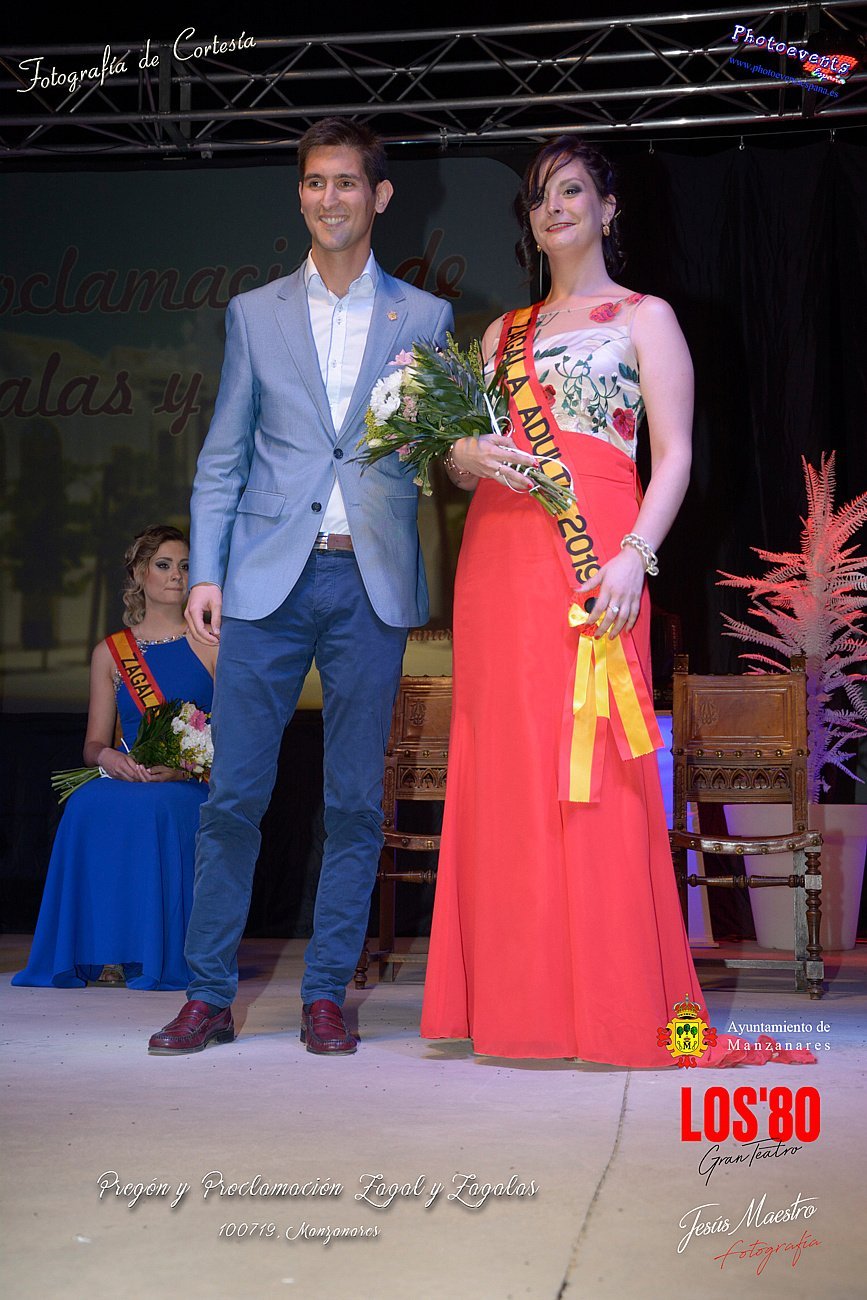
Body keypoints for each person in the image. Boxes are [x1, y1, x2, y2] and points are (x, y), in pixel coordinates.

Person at [148, 117, 453, 1058]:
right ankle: (207, 996)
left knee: (355, 803)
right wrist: (206, 571)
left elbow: (433, 455)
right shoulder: (254, 313)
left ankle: (326, 995)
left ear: (379, 196)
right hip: (264, 583)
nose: (329, 198)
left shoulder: (424, 319)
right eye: (315, 182)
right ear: (301, 196)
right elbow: (222, 458)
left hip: (368, 583)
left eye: (346, 182)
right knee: (234, 796)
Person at [420, 138, 704, 1066]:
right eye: (539, 196)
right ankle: (517, 1008)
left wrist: (634, 558)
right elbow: (465, 459)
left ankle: (616, 1008)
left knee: (597, 763)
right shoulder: (499, 335)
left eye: (572, 190)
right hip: (497, 558)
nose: (553, 207)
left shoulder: (645, 317)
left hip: (597, 556)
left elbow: (675, 456)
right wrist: (461, 455)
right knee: (505, 767)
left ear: (608, 208)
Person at [12, 525, 216, 991]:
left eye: (185, 566)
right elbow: (93, 745)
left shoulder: (211, 643)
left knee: (158, 808)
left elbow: (237, 735)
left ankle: (154, 955)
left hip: (190, 782)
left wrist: (183, 767)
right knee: (85, 803)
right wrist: (109, 758)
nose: (176, 575)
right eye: (163, 565)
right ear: (140, 574)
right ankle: (101, 952)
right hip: (129, 776)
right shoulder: (111, 652)